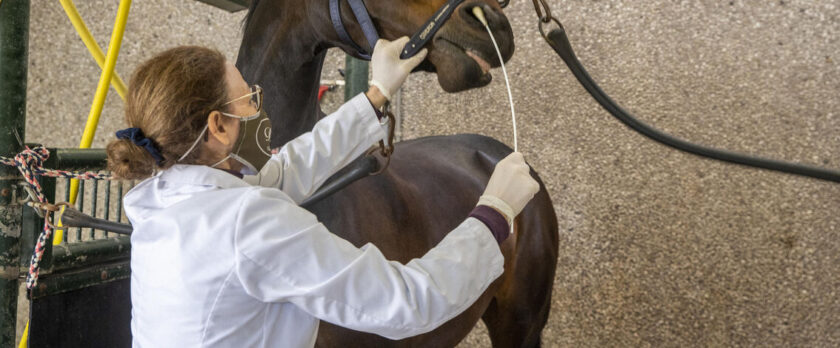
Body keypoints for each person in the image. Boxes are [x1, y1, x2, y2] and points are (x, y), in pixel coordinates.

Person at [108, 37, 540, 347]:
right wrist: (494, 213)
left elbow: (287, 170)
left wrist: (377, 94)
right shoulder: (244, 221)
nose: (259, 110)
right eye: (248, 101)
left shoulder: (167, 197)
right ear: (218, 127)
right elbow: (405, 303)